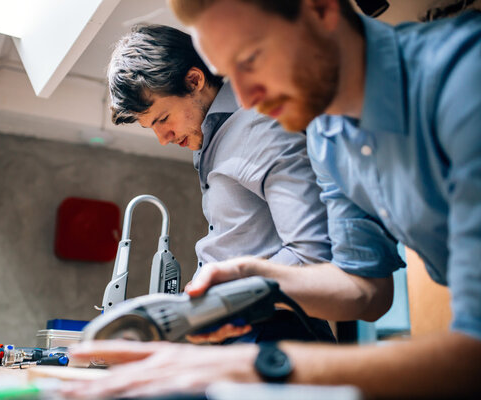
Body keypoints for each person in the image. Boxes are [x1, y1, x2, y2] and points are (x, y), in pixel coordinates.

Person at [65, 1, 481, 398]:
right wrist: (248, 278)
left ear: (319, 10)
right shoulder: (328, 137)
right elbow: (367, 290)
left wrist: (259, 365)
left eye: (251, 60)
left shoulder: (465, 75)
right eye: (229, 72)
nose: (244, 100)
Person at [106, 24, 335, 343]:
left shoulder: (262, 127)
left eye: (162, 119)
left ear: (194, 81)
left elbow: (312, 254)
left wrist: (219, 300)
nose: (162, 139)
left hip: (276, 332)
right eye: (151, 128)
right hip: (237, 328)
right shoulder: (210, 140)